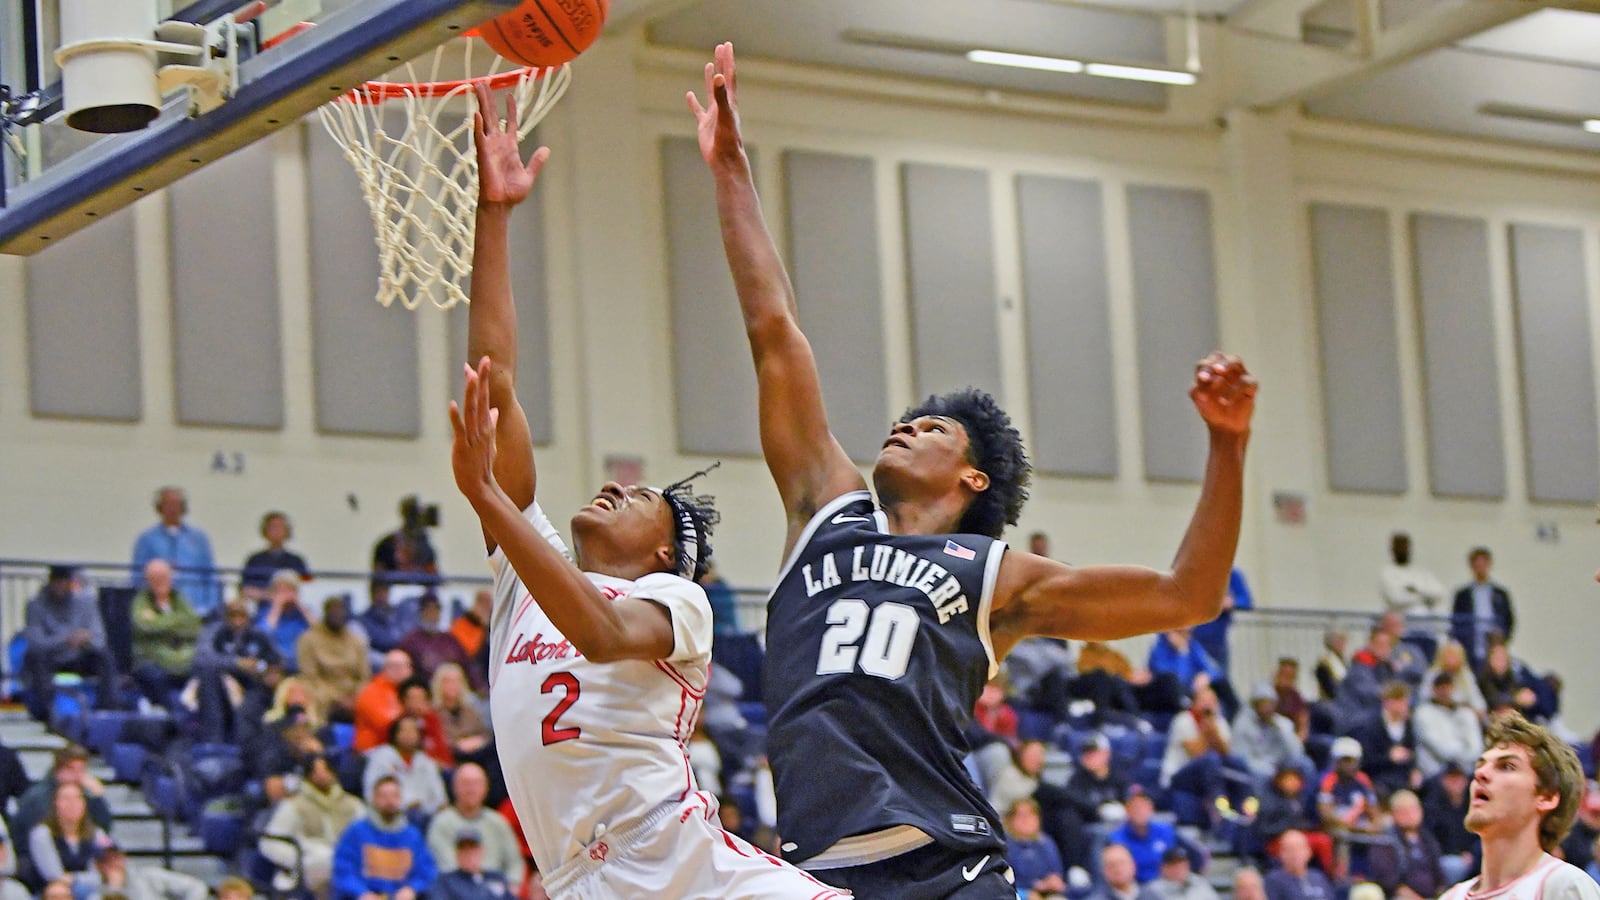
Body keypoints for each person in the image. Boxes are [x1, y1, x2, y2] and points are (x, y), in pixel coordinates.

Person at [689, 41, 1256, 895]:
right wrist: (731, 169)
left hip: (950, 866)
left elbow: (1188, 595)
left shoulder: (994, 576)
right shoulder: (824, 508)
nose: (906, 424)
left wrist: (1227, 444)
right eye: (907, 418)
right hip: (817, 872)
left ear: (974, 478)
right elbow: (775, 332)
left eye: (935, 427)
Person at [447, 83, 844, 899]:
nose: (609, 489)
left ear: (665, 550)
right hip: (575, 883)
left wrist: (488, 500)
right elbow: (499, 386)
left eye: (637, 498)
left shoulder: (678, 602)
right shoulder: (527, 577)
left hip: (681, 866)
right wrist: (494, 216)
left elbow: (596, 631)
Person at [1438, 712, 1599, 900]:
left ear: (1546, 797)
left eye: (1506, 766)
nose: (1481, 773)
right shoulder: (1451, 896)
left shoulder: (1565, 887)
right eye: (1480, 765)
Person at [22, 565, 118, 723]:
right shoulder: (35, 606)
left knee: (104, 656)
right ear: (50, 583)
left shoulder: (85, 603)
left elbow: (99, 637)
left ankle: (108, 709)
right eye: (57, 582)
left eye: (65, 582)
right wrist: (67, 638)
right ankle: (46, 711)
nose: (61, 587)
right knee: (35, 657)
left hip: (78, 655)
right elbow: (36, 642)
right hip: (51, 658)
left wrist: (84, 640)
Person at [259, 755, 364, 899]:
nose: (322, 775)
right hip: (308, 867)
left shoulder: (352, 805)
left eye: (325, 770)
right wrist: (297, 862)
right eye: (316, 771)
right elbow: (270, 841)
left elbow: (367, 836)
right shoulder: (294, 805)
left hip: (347, 868)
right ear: (308, 775)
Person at [193, 596, 281, 743]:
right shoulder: (217, 634)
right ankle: (214, 742)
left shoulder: (259, 635)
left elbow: (275, 661)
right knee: (208, 677)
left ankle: (244, 749)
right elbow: (203, 659)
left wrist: (262, 669)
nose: (237, 620)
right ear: (226, 617)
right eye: (233, 615)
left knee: (247, 708)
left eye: (241, 615)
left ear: (248, 617)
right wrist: (237, 663)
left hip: (254, 685)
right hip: (223, 686)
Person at [331, 776, 434, 900]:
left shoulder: (413, 835)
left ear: (400, 799)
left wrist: (412, 888)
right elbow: (343, 871)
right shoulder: (356, 831)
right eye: (383, 796)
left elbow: (427, 872)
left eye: (394, 796)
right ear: (374, 799)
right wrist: (362, 893)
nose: (389, 801)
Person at [426, 765, 523, 886]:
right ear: (454, 787)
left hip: (497, 889)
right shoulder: (441, 823)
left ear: (486, 788)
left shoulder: (498, 822)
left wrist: (510, 887)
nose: (471, 789)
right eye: (466, 783)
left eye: (477, 783)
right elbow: (446, 867)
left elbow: (514, 863)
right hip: (457, 891)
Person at [130, 486, 217, 614]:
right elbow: (137, 575)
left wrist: (209, 606)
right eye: (167, 504)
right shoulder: (147, 538)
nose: (172, 509)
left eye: (176, 504)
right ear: (159, 508)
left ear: (183, 508)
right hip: (159, 608)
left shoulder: (199, 538)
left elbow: (210, 574)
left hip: (195, 605)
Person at [128, 559, 202, 708]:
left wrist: (161, 624)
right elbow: (145, 626)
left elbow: (194, 626)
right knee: (155, 677)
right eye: (155, 578)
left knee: (206, 673)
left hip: (184, 660)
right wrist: (178, 622)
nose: (160, 582)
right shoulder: (141, 601)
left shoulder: (180, 599)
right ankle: (173, 719)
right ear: (147, 580)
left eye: (163, 577)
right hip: (151, 660)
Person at [297, 596, 371, 723]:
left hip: (352, 695)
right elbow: (309, 676)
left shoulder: (357, 641)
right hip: (323, 694)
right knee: (308, 693)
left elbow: (365, 676)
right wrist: (336, 699)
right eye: (333, 611)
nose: (338, 615)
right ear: (325, 613)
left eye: (341, 611)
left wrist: (354, 698)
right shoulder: (308, 639)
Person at [1368, 789, 1447, 900]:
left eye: (1413, 810)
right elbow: (1389, 880)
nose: (1410, 815)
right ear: (1394, 814)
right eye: (1404, 811)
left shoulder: (1427, 839)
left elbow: (1439, 874)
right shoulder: (1385, 840)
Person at [362, 716, 448, 817]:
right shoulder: (382, 757)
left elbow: (440, 798)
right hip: (390, 814)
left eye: (413, 730)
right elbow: (370, 793)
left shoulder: (426, 761)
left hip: (426, 814)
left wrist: (428, 807)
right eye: (404, 730)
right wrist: (404, 806)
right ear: (395, 734)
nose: (409, 735)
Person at [27, 783, 106, 892]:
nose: (72, 804)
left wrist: (75, 878)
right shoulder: (42, 834)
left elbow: (103, 873)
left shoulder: (97, 833)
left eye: (77, 798)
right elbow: (54, 876)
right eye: (65, 799)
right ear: (55, 804)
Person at [1351, 679, 1421, 798]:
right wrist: (1389, 758)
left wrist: (1414, 770)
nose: (1405, 706)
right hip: (1380, 776)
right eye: (1401, 702)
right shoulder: (1372, 726)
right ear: (1388, 702)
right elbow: (1366, 761)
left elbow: (1412, 751)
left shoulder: (1408, 724)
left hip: (1403, 775)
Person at [1451, 547, 1515, 668]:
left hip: (1493, 643)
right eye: (1477, 565)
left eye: (1483, 564)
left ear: (1489, 565)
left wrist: (1503, 640)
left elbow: (1509, 619)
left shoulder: (1500, 593)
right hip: (1471, 644)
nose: (1480, 568)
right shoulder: (1462, 594)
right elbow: (1456, 621)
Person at [1415, 669, 1485, 778]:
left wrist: (1465, 760)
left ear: (1453, 688)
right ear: (1434, 690)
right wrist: (1461, 756)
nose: (1444, 691)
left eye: (1447, 686)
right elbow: (1440, 748)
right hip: (1435, 771)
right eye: (1440, 687)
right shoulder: (1423, 713)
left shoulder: (1465, 713)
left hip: (1467, 770)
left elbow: (1476, 747)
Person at [1232, 681, 1307, 784]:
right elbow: (1239, 757)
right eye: (1262, 703)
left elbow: (1297, 753)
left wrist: (1282, 731)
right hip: (1257, 766)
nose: (1266, 707)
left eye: (1270, 703)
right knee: (1263, 775)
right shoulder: (1243, 724)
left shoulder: (1283, 723)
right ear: (1254, 705)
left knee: (1305, 765)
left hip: (1280, 765)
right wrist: (1267, 769)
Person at [84, 840, 209, 900]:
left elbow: (197, 887)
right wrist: (114, 889)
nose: (113, 865)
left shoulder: (149, 876)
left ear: (123, 858)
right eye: (106, 861)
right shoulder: (96, 894)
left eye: (116, 858)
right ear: (97, 866)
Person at [1108, 787, 1185, 884]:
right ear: (1127, 811)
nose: (1140, 812)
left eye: (1143, 807)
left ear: (1151, 809)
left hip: (1168, 883)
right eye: (1135, 808)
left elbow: (1179, 858)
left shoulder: (1166, 830)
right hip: (1139, 886)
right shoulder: (1117, 839)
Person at [1421, 760, 1477, 885]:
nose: (1456, 782)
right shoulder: (1432, 807)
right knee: (1454, 866)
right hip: (1445, 857)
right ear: (1443, 781)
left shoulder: (1474, 804)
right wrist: (1458, 853)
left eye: (1459, 778)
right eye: (1451, 778)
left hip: (1473, 854)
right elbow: (1431, 839)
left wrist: (1472, 853)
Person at [1191, 567, 1252, 680]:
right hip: (1194, 640)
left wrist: (1231, 602)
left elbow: (1246, 601)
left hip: (1219, 642)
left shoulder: (1231, 574)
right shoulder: (1194, 572)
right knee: (1197, 680)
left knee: (1220, 680)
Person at [396, 593, 472, 683]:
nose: (432, 615)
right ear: (421, 612)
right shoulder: (410, 642)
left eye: (436, 610)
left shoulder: (450, 640)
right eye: (428, 610)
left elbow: (468, 666)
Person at [1004, 798, 1068, 900]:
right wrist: (1032, 887)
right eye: (1021, 815)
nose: (1026, 820)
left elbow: (1056, 872)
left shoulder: (1046, 843)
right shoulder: (1004, 845)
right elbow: (1004, 879)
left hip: (1047, 893)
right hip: (1016, 893)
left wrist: (1054, 881)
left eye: (1031, 815)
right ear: (1010, 819)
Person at [352, 650, 412, 753]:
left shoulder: (410, 691)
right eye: (393, 666)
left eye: (403, 666)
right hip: (373, 751)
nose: (398, 670)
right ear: (384, 668)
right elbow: (385, 727)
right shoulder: (371, 691)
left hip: (401, 751)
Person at [373, 496, 440, 585]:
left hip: (420, 595)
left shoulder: (425, 548)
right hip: (393, 593)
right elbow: (379, 580)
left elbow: (433, 579)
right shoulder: (386, 546)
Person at [241, 511, 310, 595]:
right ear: (265, 531)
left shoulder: (296, 560)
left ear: (287, 531)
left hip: (291, 604)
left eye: (280, 527)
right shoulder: (255, 560)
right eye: (273, 527)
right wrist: (270, 596)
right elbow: (246, 588)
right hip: (263, 603)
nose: (277, 531)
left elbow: (307, 584)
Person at [432, 828, 512, 900]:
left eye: (472, 848)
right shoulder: (446, 881)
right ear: (457, 854)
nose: (468, 854)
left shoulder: (496, 877)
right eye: (463, 849)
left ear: (481, 851)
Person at [258, 570, 312, 672]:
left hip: (301, 664)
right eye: (281, 590)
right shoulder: (266, 612)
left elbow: (320, 631)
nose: (285, 595)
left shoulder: (304, 613)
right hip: (274, 665)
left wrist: (300, 605)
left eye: (289, 590)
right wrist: (277, 606)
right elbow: (263, 635)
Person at [1380, 532, 1445, 613]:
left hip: (1424, 619)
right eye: (1399, 547)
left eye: (1404, 546)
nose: (1402, 550)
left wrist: (1415, 591)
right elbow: (1396, 599)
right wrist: (1424, 596)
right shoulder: (1387, 573)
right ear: (1393, 549)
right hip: (1400, 619)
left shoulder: (1420, 572)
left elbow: (1438, 593)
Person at [1263, 830, 1336, 900]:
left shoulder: (1318, 876)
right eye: (1289, 850)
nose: (1295, 854)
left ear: (1309, 852)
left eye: (1299, 848)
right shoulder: (1274, 880)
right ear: (1281, 854)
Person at [1139, 845, 1217, 900]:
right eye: (1174, 865)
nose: (1179, 869)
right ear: (1163, 868)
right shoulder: (1152, 890)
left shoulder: (1200, 882)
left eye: (1182, 864)